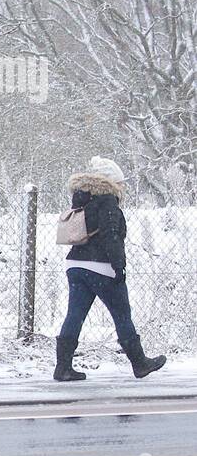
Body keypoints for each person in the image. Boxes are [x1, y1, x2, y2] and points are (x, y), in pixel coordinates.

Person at [55, 157, 166, 381]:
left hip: (75, 264)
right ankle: (140, 363)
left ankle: (63, 367)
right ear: (111, 182)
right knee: (122, 314)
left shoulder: (82, 199)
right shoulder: (107, 202)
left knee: (74, 315)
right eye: (120, 182)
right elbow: (111, 236)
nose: (123, 186)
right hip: (101, 266)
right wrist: (119, 266)